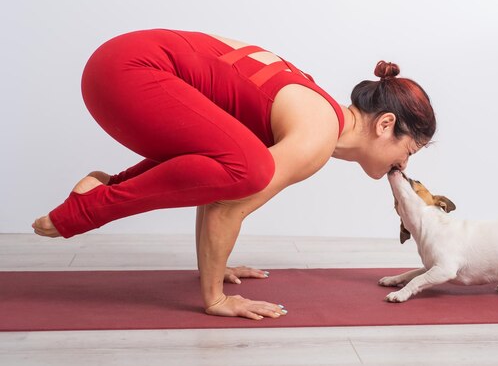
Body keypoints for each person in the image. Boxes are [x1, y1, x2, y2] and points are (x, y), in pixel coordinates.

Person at [32, 29, 436, 320]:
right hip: (128, 72)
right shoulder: (316, 136)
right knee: (252, 168)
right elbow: (228, 209)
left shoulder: (316, 110)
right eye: (409, 150)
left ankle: (104, 186)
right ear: (385, 125)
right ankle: (88, 208)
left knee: (241, 163)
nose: (404, 165)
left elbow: (216, 188)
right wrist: (215, 298)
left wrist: (215, 260)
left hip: (116, 65)